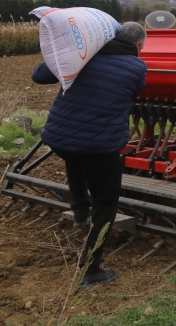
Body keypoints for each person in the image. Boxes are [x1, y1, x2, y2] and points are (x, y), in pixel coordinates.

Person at [31, 21, 147, 288]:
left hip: (58, 137)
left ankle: (81, 211)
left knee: (75, 154)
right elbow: (136, 91)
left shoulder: (79, 56)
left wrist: (60, 53)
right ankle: (90, 270)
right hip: (101, 146)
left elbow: (38, 76)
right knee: (106, 206)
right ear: (138, 46)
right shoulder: (137, 67)